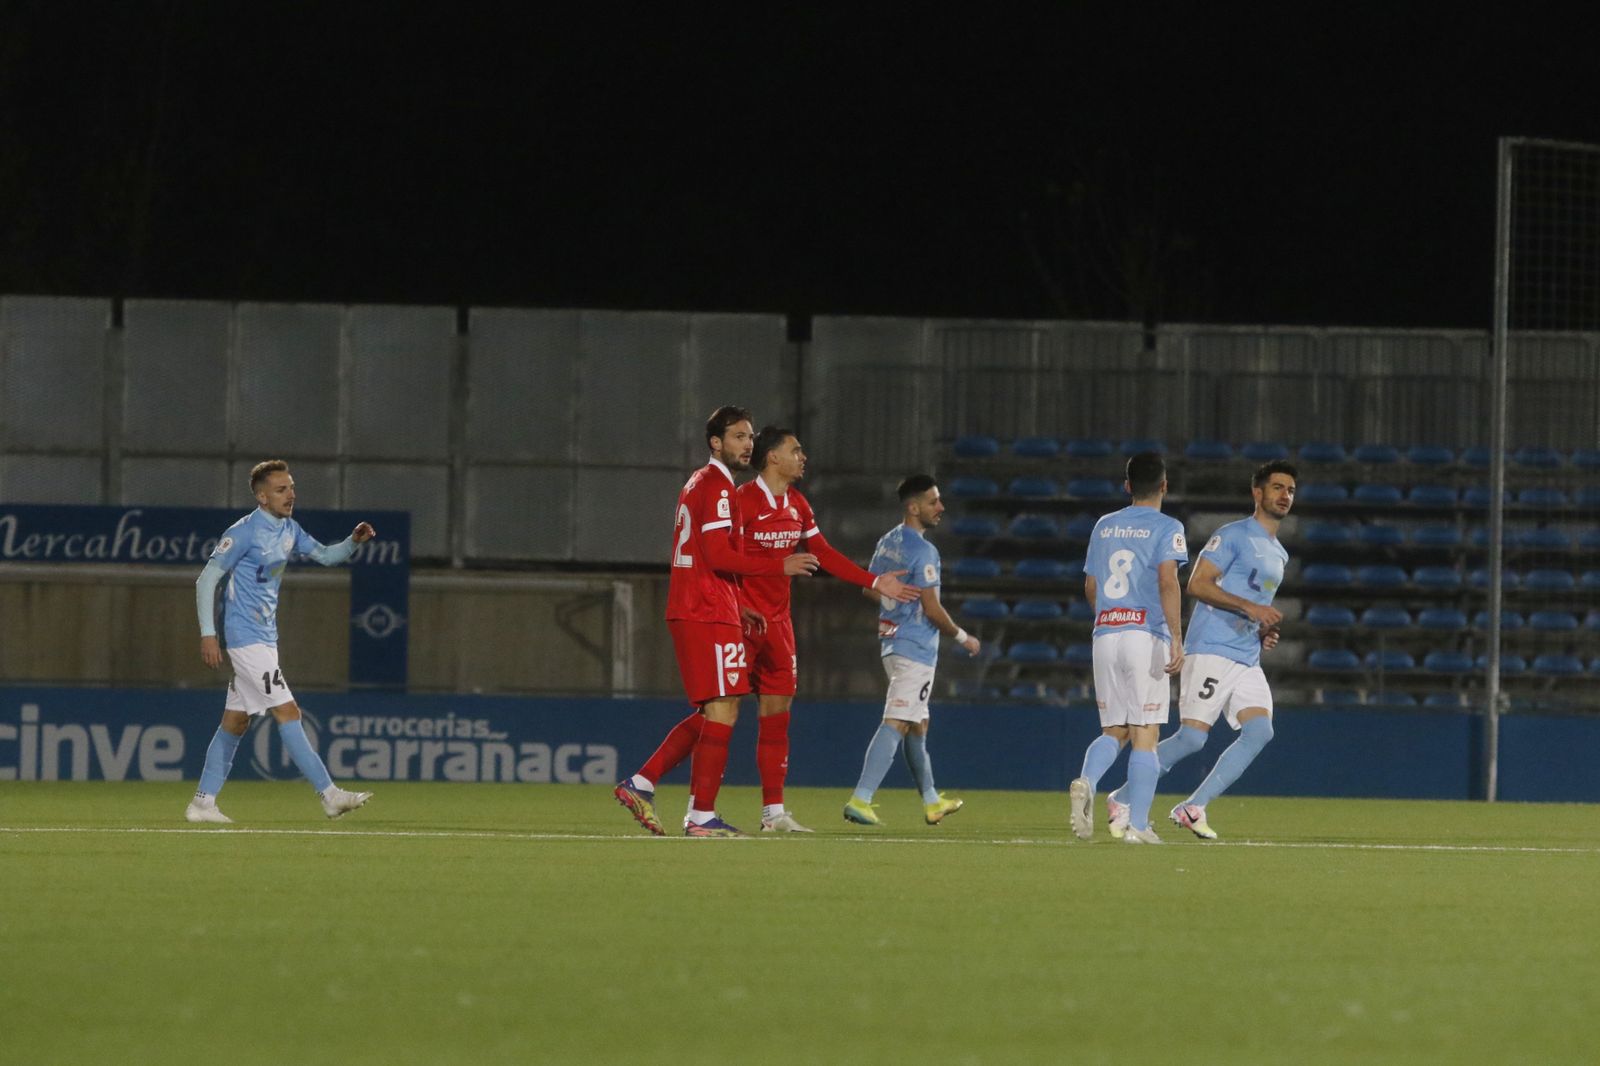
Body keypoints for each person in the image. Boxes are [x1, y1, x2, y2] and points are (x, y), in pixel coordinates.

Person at [613, 406, 819, 838]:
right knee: (723, 708)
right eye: (739, 437)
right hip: (704, 608)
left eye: (749, 437)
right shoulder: (720, 486)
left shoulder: (699, 481)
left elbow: (705, 557)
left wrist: (737, 603)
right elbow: (717, 554)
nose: (747, 444)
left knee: (717, 708)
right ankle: (700, 816)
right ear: (716, 442)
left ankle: (643, 783)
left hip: (709, 603)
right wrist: (777, 567)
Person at [1104, 460, 1294, 841]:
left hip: (1245, 655)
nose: (1284, 495)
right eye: (1277, 487)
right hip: (1211, 648)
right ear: (1257, 493)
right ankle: (1122, 798)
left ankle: (1194, 807)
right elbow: (1198, 584)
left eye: (1290, 489)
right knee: (1192, 738)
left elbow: (1253, 604)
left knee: (1260, 731)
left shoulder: (1280, 554)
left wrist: (1261, 632)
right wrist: (1252, 609)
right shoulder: (1234, 535)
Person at [184, 460, 377, 824]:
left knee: (235, 723)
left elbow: (324, 555)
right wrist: (208, 633)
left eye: (291, 487)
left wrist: (352, 542)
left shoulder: (290, 529)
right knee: (288, 712)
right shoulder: (243, 532)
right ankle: (330, 795)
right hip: (245, 640)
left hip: (265, 639)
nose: (290, 495)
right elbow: (206, 580)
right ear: (261, 496)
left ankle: (203, 803)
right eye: (281, 489)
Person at [843, 474, 978, 827]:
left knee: (918, 724)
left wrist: (892, 595)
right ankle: (861, 798)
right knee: (898, 721)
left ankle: (932, 801)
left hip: (890, 642)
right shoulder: (924, 550)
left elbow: (868, 588)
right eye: (933, 501)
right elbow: (932, 609)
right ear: (913, 507)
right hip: (914, 646)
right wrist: (963, 637)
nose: (941, 507)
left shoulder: (887, 542)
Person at [1068, 452, 1187, 844]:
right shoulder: (1168, 527)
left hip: (1105, 633)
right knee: (1146, 732)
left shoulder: (1104, 526)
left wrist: (1108, 620)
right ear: (1164, 486)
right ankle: (1137, 826)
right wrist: (1176, 636)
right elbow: (1168, 581)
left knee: (1114, 728)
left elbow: (1090, 587)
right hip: (1144, 635)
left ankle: (1087, 780)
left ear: (1127, 486)